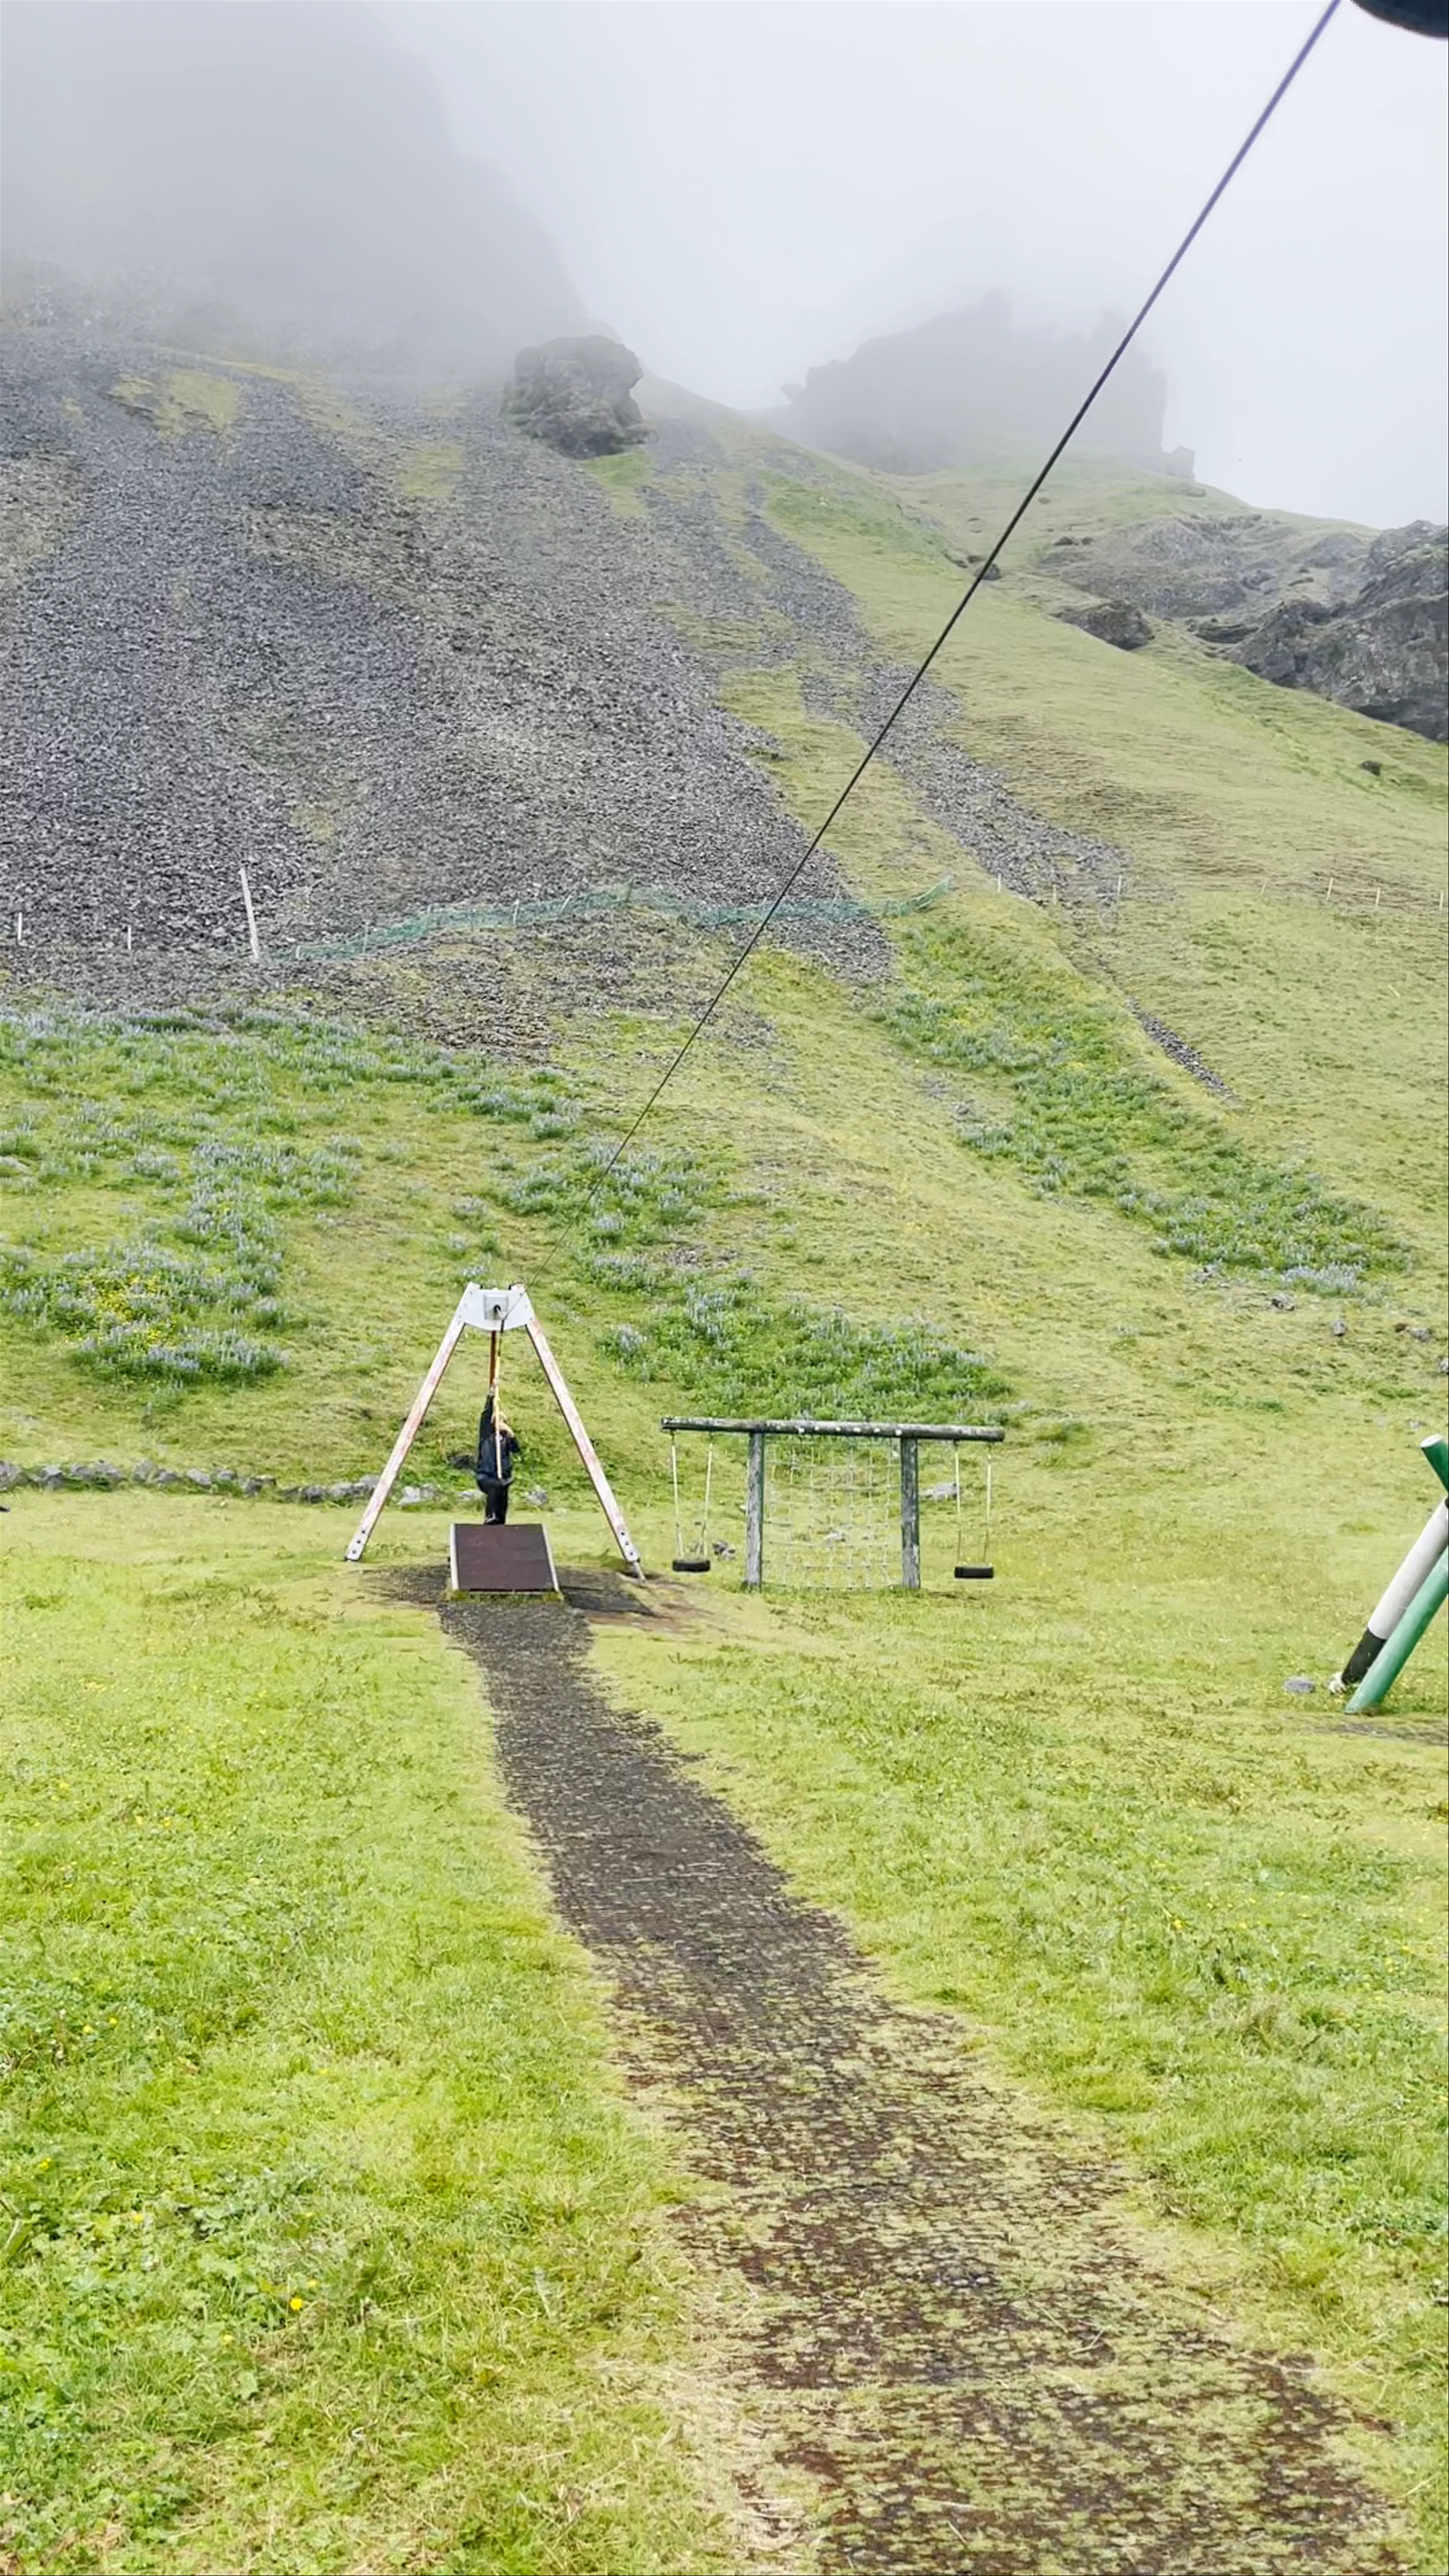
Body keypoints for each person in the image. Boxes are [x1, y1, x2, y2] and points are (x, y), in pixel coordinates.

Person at [475, 1387, 521, 1525]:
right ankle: (491, 1516)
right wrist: (491, 1397)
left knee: (503, 1490)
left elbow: (517, 1450)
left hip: (503, 1477)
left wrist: (512, 1436)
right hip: (486, 1476)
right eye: (498, 1421)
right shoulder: (486, 1435)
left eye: (503, 1422)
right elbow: (485, 1415)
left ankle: (501, 1521)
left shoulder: (507, 1439)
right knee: (495, 1486)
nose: (501, 1424)